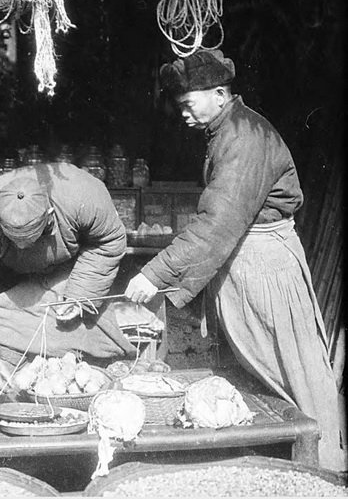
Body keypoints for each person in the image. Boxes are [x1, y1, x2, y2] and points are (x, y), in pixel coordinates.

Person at [124, 48, 344, 471]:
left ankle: (325, 470)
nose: (183, 114)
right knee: (266, 365)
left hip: (266, 265)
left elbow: (216, 222)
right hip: (250, 258)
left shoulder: (244, 138)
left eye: (188, 103)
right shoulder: (227, 131)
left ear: (220, 94)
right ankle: (285, 461)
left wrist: (155, 273)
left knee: (293, 368)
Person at [0, 162, 141, 395]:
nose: (21, 245)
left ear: (49, 216)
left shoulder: (81, 194)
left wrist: (80, 294)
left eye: (28, 238)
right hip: (12, 275)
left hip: (74, 266)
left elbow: (108, 241)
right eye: (14, 239)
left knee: (91, 328)